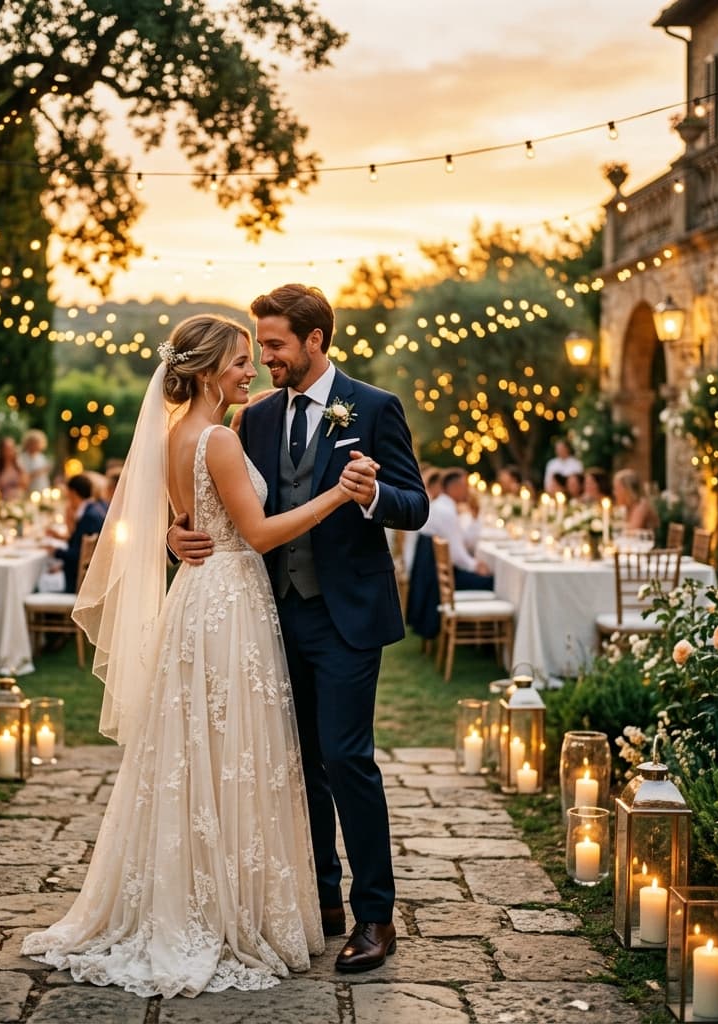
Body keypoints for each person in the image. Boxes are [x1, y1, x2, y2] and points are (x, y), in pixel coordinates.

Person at [23, 313, 363, 995]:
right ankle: (224, 908)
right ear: (209, 369)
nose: (250, 370)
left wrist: (182, 535)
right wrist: (336, 494)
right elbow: (260, 533)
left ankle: (194, 891)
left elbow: (185, 519)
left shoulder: (178, 433)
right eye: (241, 360)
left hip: (196, 600)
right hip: (231, 601)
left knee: (197, 753)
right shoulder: (219, 441)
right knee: (232, 753)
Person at [169, 284, 429, 973]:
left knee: (347, 760)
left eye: (276, 345)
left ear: (317, 341)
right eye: (259, 346)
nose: (266, 359)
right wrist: (176, 533)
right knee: (295, 766)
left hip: (345, 618)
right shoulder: (250, 419)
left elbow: (417, 504)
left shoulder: (373, 408)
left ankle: (376, 914)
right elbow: (219, 501)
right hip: (269, 617)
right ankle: (321, 901)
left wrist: (373, 495)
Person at [421, 467, 494, 589]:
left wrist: (475, 517)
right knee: (493, 582)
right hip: (438, 581)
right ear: (454, 488)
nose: (469, 491)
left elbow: (465, 542)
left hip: (434, 576)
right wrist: (475, 566)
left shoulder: (444, 506)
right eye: (466, 486)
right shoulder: (445, 511)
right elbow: (456, 555)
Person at [54, 474, 107, 593]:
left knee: (40, 583)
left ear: (72, 493)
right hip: (84, 577)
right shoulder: (94, 509)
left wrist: (54, 551)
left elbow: (77, 555)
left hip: (75, 584)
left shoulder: (89, 516)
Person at [613, 467, 660, 533]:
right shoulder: (628, 507)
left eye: (617, 489)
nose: (615, 493)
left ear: (627, 490)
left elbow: (632, 531)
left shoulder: (641, 506)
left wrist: (616, 526)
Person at [0, 436, 29, 502]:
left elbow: (25, 484)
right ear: (1, 450)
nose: (9, 451)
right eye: (6, 448)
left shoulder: (20, 464)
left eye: (11, 448)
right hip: (3, 501)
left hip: (19, 499)